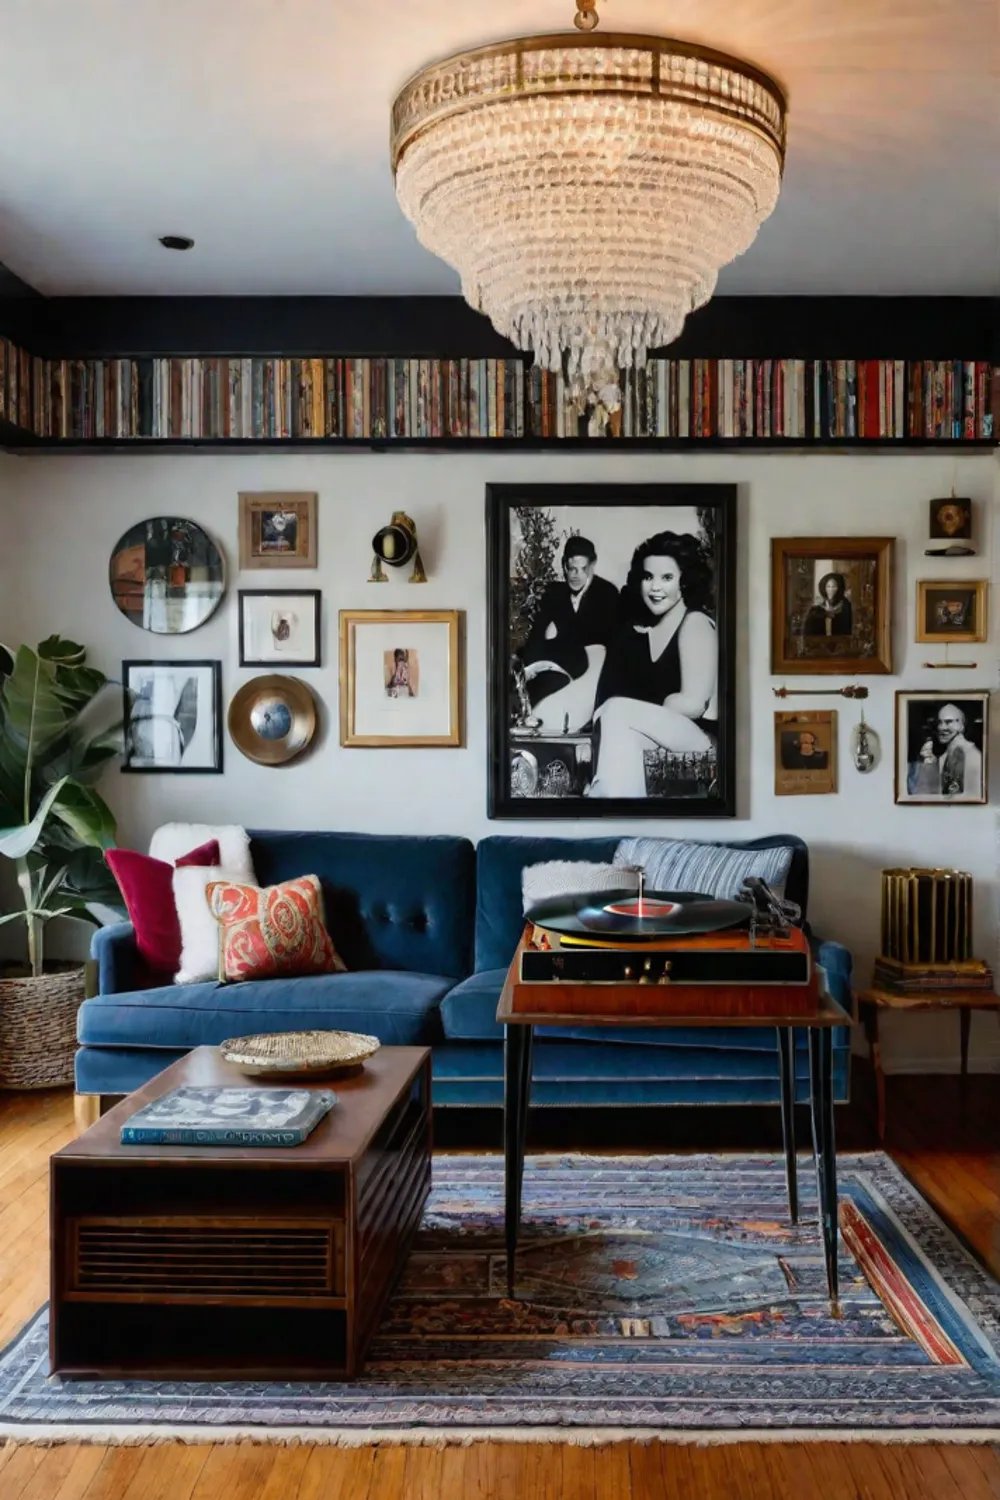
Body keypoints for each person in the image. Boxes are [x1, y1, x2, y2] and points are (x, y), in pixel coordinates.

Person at [588, 530, 717, 798]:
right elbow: (606, 699)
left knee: (618, 711)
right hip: (657, 736)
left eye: (667, 577)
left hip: (699, 740)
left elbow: (693, 704)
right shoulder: (633, 633)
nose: (655, 587)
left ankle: (600, 799)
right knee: (623, 745)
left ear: (685, 581)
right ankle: (625, 824)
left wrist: (645, 708)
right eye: (648, 577)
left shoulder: (695, 623)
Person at [518, 535, 620, 732]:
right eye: (571, 568)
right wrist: (530, 668)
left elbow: (612, 645)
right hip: (558, 674)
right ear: (564, 564)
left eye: (582, 569)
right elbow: (538, 638)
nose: (575, 575)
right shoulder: (552, 593)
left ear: (593, 565)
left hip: (596, 678)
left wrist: (558, 638)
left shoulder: (607, 594)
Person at [908, 702, 982, 798]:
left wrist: (927, 770)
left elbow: (951, 798)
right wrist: (930, 765)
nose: (941, 727)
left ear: (961, 725)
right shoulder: (950, 753)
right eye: (939, 722)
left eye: (948, 722)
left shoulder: (961, 752)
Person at [802, 572, 853, 637]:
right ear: (824, 588)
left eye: (834, 586)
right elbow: (808, 634)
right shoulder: (816, 610)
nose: (831, 590)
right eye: (828, 586)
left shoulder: (847, 608)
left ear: (840, 588)